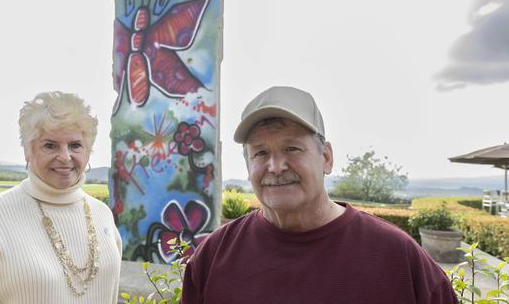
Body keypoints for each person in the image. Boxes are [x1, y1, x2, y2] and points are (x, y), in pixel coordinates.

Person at [181, 86, 458, 304]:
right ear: (248, 165)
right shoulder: (214, 256)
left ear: (326, 158)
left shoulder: (398, 258)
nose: (276, 167)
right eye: (261, 153)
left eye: (292, 148)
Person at [0, 91, 122, 304]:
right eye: (50, 145)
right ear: (27, 151)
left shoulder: (102, 214)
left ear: (88, 151)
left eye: (75, 145)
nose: (65, 157)